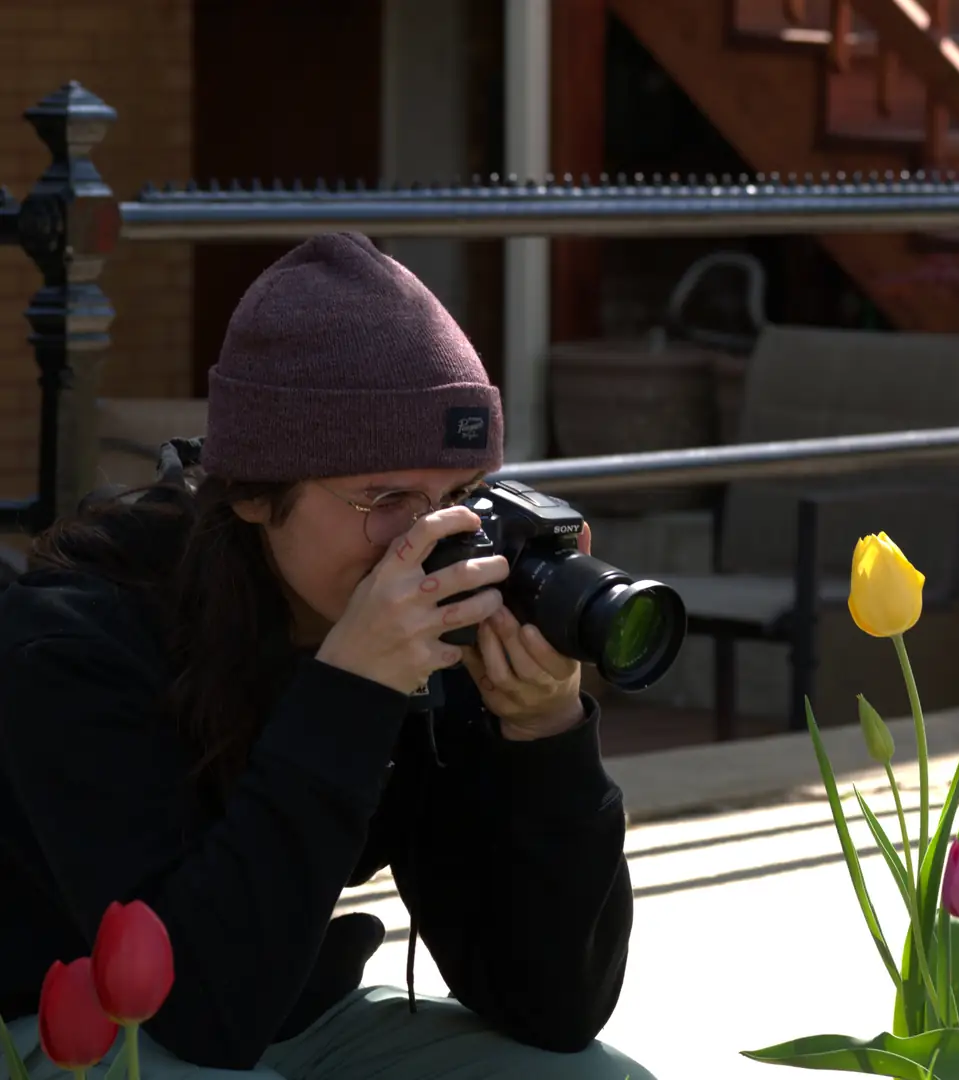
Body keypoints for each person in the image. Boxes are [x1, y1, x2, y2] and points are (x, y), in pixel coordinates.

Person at [0, 233, 654, 1079]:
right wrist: (352, 691)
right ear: (253, 492)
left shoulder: (430, 621)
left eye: (459, 497)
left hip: (287, 1009)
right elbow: (196, 1010)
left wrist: (544, 739)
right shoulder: (76, 647)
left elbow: (553, 1010)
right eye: (387, 497)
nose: (430, 540)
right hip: (67, 1021)